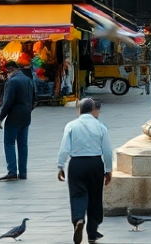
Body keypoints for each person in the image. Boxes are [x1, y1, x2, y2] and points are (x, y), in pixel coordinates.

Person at [58, 98, 112, 244]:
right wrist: (108, 170)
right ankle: (92, 233)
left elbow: (64, 148)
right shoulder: (100, 126)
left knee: (78, 194)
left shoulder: (71, 125)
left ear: (79, 109)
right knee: (95, 196)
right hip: (95, 163)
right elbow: (107, 151)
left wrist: (60, 166)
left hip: (76, 164)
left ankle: (79, 218)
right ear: (93, 108)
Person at [0, 61, 34, 181]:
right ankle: (23, 172)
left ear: (10, 70)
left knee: (9, 143)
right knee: (23, 144)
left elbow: (8, 101)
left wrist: (1, 117)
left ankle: (12, 171)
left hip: (14, 116)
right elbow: (35, 97)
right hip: (26, 115)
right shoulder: (28, 79)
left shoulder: (12, 81)